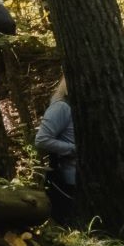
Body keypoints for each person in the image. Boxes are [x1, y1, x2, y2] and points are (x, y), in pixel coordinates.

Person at [35, 78, 77, 226]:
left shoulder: (76, 107)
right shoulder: (61, 107)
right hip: (69, 178)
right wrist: (72, 149)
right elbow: (41, 139)